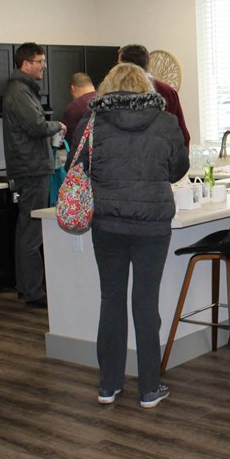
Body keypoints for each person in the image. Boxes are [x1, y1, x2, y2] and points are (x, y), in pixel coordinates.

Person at [66, 63, 189, 408]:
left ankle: (109, 385)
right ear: (145, 87)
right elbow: (179, 168)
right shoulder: (165, 122)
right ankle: (150, 388)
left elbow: (76, 166)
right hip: (152, 224)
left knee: (112, 299)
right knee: (145, 302)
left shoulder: (92, 123)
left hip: (107, 224)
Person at [2, 42, 66, 309]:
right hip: (31, 168)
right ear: (26, 64)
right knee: (31, 231)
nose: (44, 66)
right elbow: (36, 125)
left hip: (31, 166)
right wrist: (58, 125)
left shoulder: (23, 90)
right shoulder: (19, 92)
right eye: (40, 61)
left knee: (27, 229)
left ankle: (27, 286)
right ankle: (32, 291)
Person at [117, 44, 190, 147]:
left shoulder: (122, 92)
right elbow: (183, 134)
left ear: (126, 67)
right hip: (165, 155)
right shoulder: (169, 91)